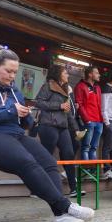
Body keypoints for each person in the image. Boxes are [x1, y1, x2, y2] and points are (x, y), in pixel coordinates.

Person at [0, 45, 93, 222]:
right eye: (8, 71)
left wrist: (28, 118)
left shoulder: (13, 89)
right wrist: (10, 110)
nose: (12, 76)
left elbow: (20, 118)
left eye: (15, 72)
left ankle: (61, 215)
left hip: (10, 134)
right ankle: (65, 207)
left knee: (49, 162)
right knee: (26, 161)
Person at [35, 65, 85, 197]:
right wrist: (59, 105)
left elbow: (68, 114)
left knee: (68, 154)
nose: (67, 75)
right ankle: (37, 188)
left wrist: (75, 130)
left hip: (62, 127)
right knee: (46, 156)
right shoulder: (48, 86)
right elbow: (38, 102)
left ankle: (74, 189)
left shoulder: (65, 90)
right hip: (48, 125)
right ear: (58, 74)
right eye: (65, 73)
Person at [75, 66, 103, 160]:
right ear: (90, 74)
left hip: (99, 121)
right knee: (86, 147)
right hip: (88, 121)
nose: (99, 75)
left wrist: (101, 120)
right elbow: (79, 104)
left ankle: (93, 173)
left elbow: (99, 104)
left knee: (94, 148)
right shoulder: (80, 86)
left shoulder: (97, 87)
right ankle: (86, 173)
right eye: (97, 73)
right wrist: (87, 120)